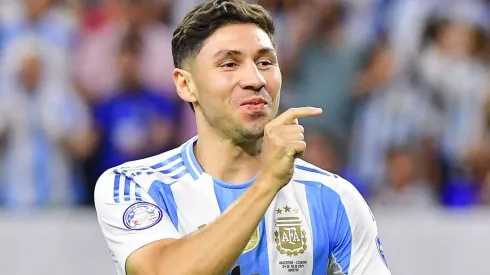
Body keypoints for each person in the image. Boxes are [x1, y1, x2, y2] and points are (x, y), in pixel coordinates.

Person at [94, 1, 391, 274]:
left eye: (265, 62)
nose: (255, 80)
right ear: (186, 85)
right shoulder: (135, 185)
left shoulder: (334, 197)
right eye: (229, 64)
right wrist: (268, 182)